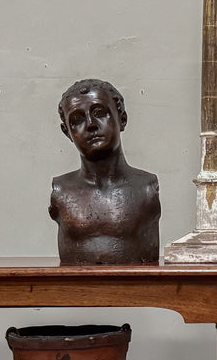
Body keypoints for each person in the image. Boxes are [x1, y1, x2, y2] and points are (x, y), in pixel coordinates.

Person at [49, 78, 161, 264]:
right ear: (67, 132)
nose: (91, 124)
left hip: (138, 292)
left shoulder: (147, 187)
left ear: (122, 119)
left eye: (100, 113)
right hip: (74, 292)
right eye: (77, 119)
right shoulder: (61, 190)